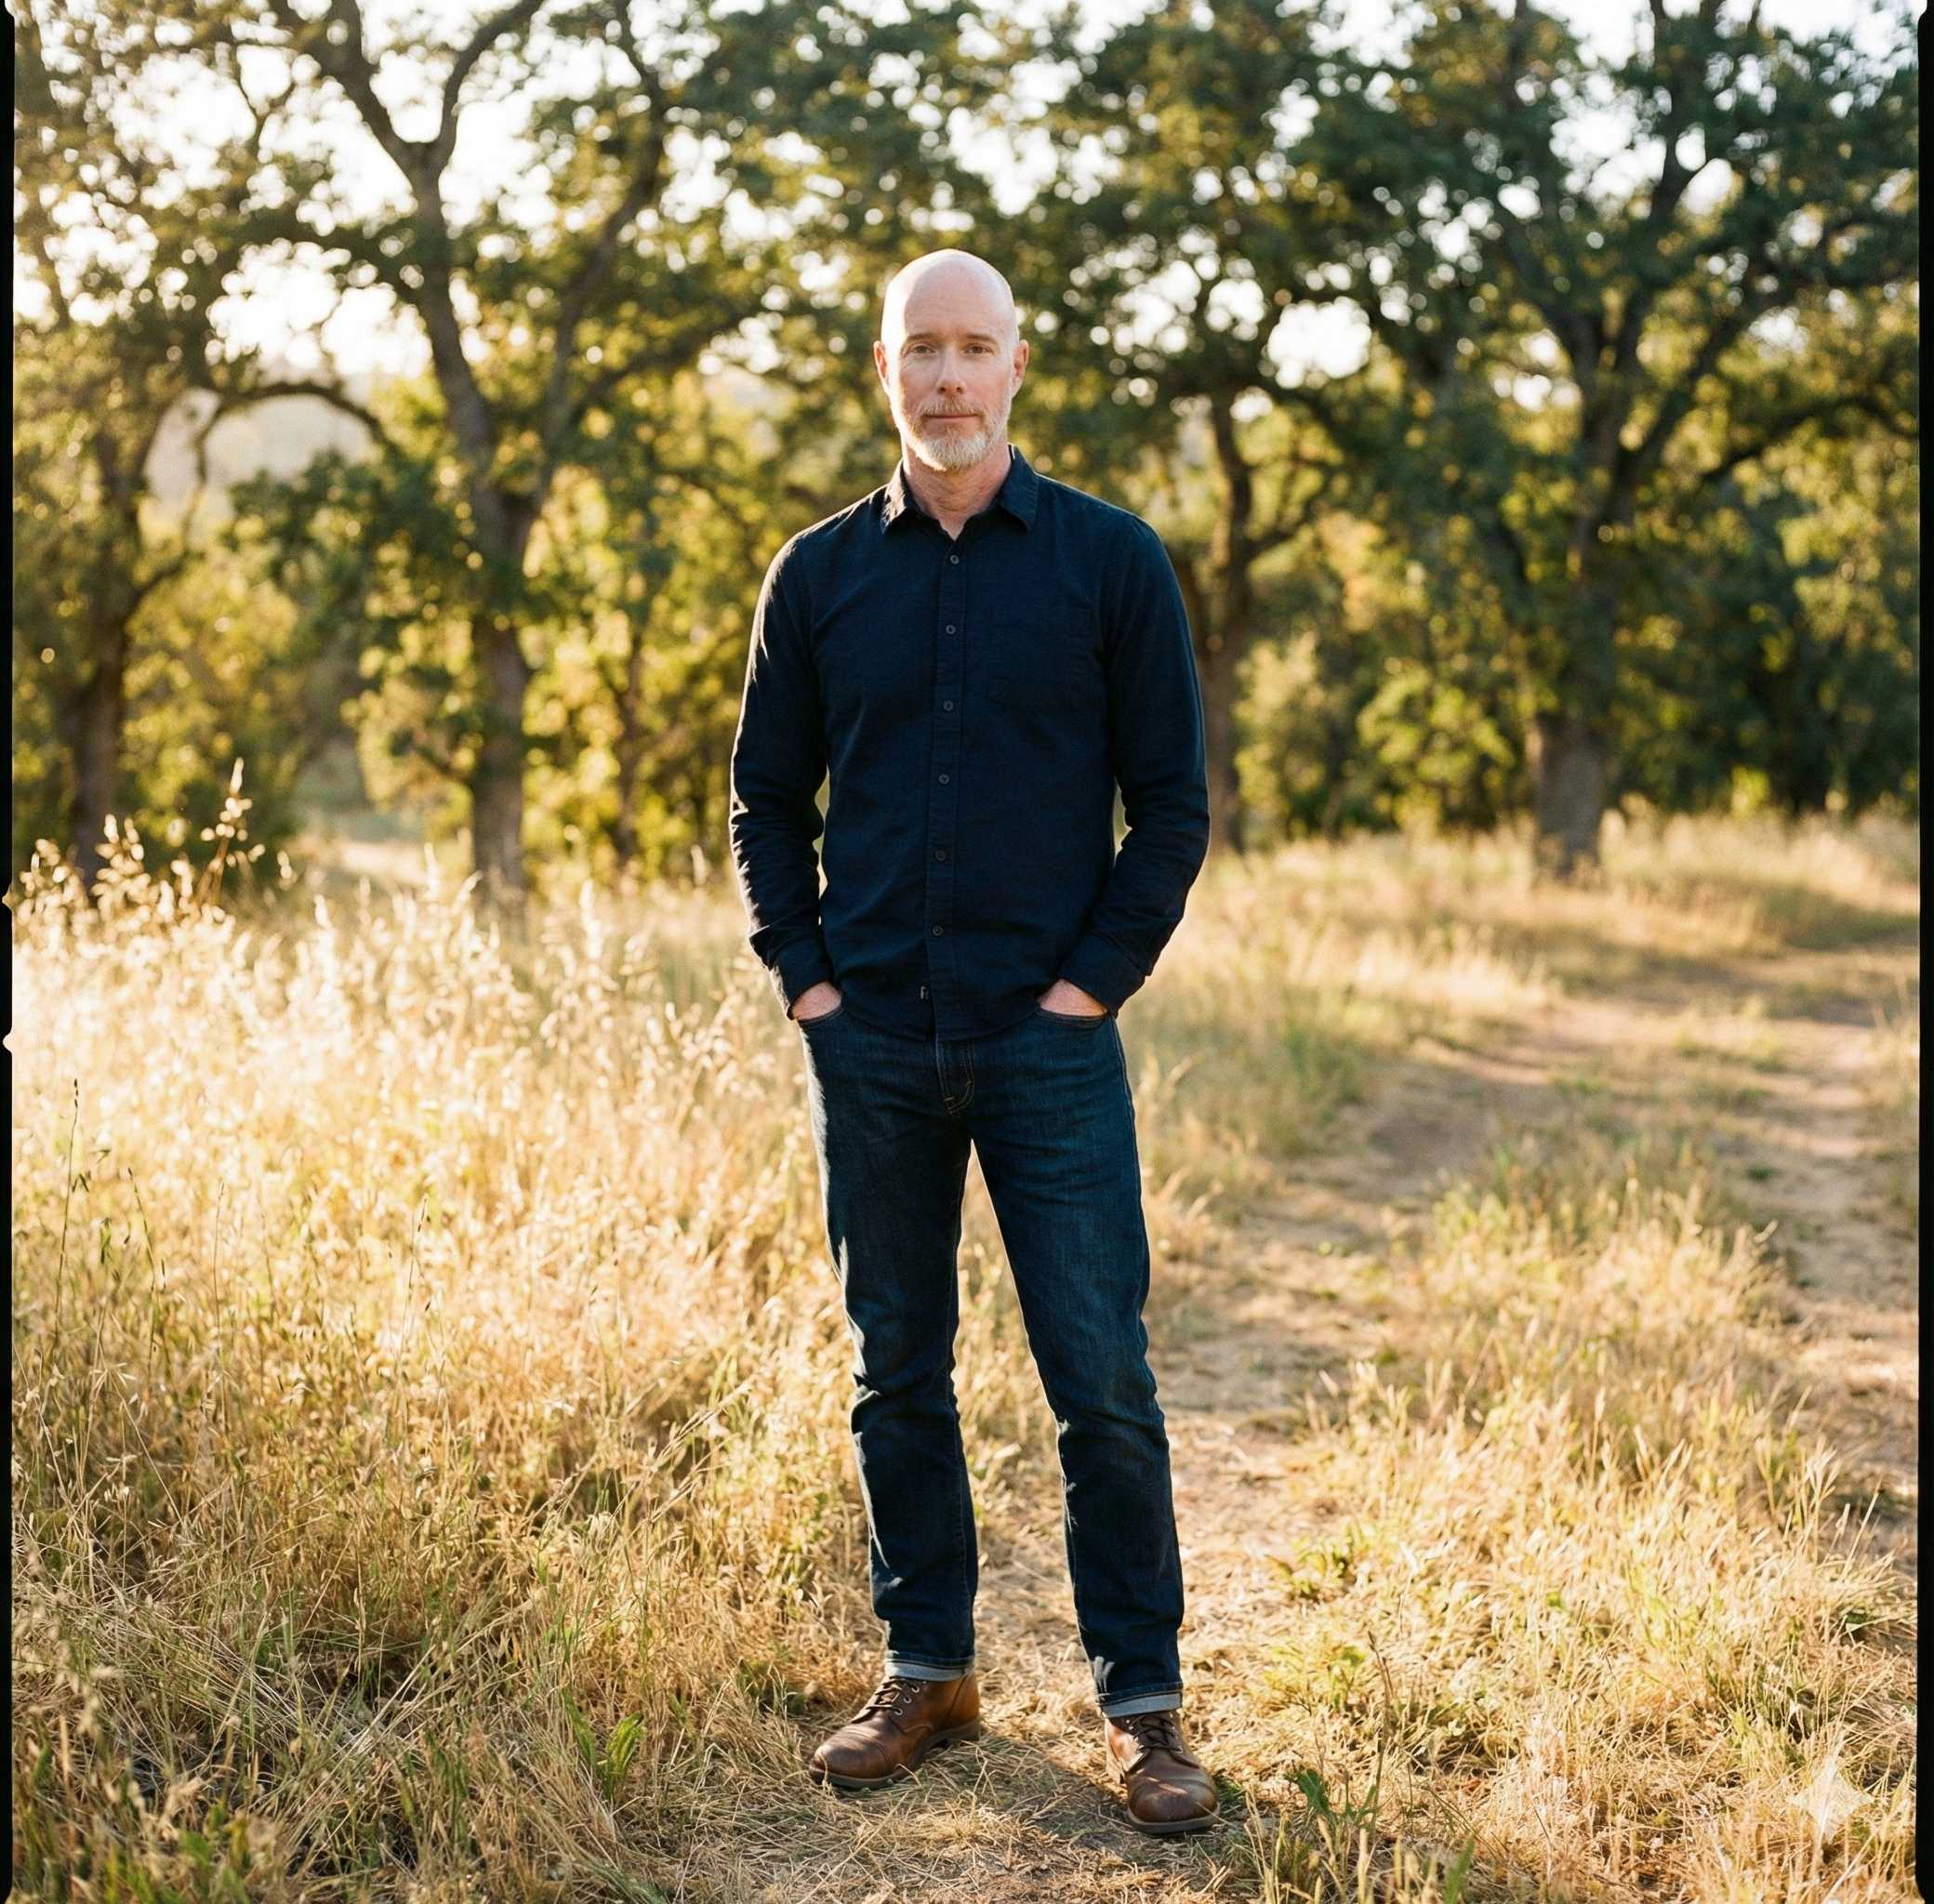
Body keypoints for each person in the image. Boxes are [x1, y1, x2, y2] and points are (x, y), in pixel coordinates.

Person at [727, 248, 1216, 1836]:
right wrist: (807, 981)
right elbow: (762, 806)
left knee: (1101, 1380)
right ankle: (929, 1670)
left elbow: (1175, 808)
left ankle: (1144, 1712)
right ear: (885, 367)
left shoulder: (1109, 563)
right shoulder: (815, 577)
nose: (946, 377)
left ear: (1018, 368)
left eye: (974, 349)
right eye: (919, 350)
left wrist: (1088, 988)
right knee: (896, 1374)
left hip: (1045, 1042)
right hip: (871, 1042)